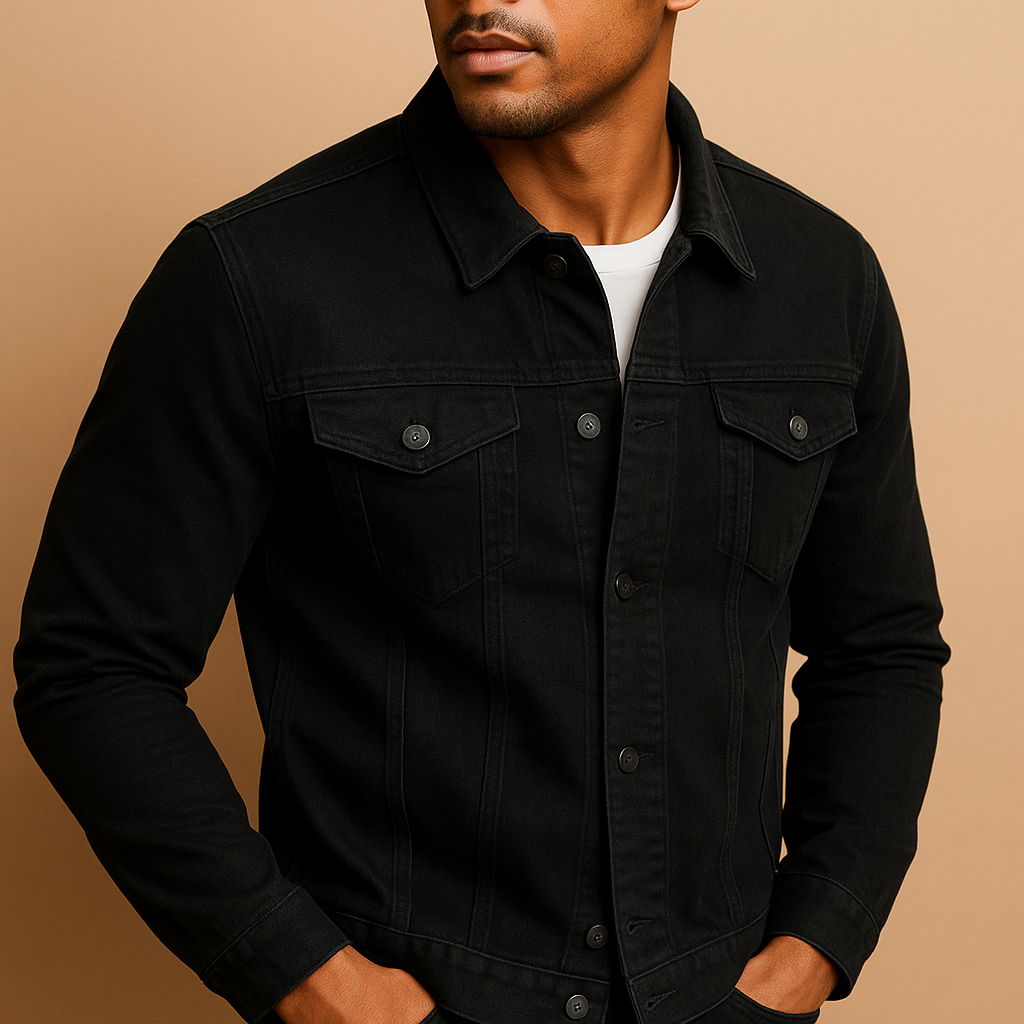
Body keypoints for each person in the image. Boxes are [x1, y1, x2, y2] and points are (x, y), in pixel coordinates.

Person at [13, 2, 949, 1023]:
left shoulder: (822, 279)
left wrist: (810, 948)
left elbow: (879, 644)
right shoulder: (256, 275)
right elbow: (92, 665)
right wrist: (308, 979)